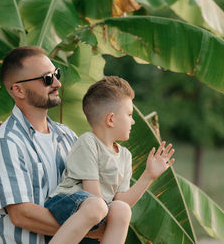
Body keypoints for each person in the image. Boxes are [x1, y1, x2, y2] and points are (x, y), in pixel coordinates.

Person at [0, 46, 104, 244]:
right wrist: (89, 228)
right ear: (18, 90)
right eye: (47, 78)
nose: (57, 83)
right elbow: (22, 214)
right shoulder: (6, 142)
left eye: (56, 74)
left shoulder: (68, 137)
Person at [45, 76, 175, 244]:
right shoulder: (88, 142)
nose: (133, 121)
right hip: (68, 210)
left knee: (122, 210)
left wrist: (148, 175)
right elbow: (92, 194)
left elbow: (121, 202)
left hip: (97, 217)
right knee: (97, 205)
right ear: (111, 119)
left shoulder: (125, 156)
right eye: (129, 114)